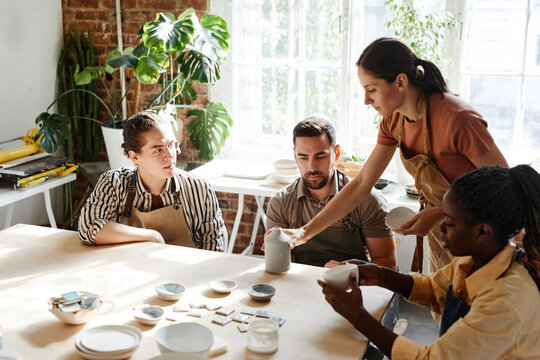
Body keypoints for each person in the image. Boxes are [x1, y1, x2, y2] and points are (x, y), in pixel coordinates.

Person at [284, 37, 508, 274]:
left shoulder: (457, 118)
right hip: (444, 233)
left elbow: (505, 185)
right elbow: (361, 184)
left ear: (401, 81)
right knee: (444, 306)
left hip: (482, 234)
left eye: (372, 90)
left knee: (476, 307)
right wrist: (304, 232)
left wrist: (439, 211)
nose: (366, 100)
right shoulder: (393, 120)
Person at [318, 165, 540, 359]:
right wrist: (382, 275)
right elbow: (435, 290)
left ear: (482, 231)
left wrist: (357, 314)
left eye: (449, 223)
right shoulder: (474, 262)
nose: (440, 227)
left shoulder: (507, 300)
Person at [78, 111, 227, 251]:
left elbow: (214, 250)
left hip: (185, 275)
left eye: (171, 145)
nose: (170, 156)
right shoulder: (114, 183)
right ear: (135, 157)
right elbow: (89, 228)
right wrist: (152, 236)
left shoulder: (199, 189)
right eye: (158, 150)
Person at [266, 117, 396, 269]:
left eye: (320, 156)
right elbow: (279, 268)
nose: (312, 166)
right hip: (303, 286)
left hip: (355, 287)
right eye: (303, 157)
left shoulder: (369, 200)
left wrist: (348, 271)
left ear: (337, 152)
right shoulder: (281, 202)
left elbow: (388, 266)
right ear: (295, 156)